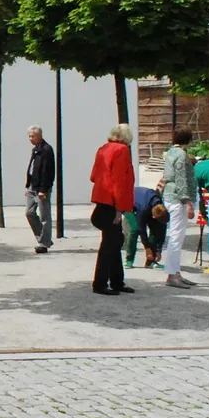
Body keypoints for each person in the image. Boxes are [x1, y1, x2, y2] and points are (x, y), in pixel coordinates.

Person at [88, 123, 136, 295]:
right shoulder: (122, 150)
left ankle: (116, 281)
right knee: (110, 244)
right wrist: (119, 209)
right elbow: (119, 182)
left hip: (102, 199)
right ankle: (100, 283)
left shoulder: (103, 149)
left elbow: (93, 176)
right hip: (112, 202)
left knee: (114, 241)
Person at [161, 130, 198, 288]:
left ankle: (176, 272)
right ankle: (171, 274)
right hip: (178, 199)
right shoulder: (182, 155)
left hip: (170, 195)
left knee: (176, 236)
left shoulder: (171, 152)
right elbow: (181, 179)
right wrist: (188, 202)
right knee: (176, 237)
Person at [24, 125, 56, 253]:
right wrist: (28, 185)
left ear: (40, 136)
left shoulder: (46, 150)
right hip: (32, 188)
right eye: (29, 136)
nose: (30, 139)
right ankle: (44, 238)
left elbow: (48, 171)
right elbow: (32, 168)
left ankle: (43, 243)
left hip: (41, 189)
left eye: (33, 136)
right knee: (29, 212)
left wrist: (44, 190)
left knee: (44, 216)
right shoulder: (35, 150)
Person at [124, 186, 169, 269]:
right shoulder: (143, 208)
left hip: (147, 205)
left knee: (155, 231)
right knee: (135, 229)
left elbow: (162, 231)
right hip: (127, 202)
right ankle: (129, 260)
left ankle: (150, 262)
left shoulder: (161, 207)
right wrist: (147, 248)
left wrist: (158, 250)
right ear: (153, 216)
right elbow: (142, 229)